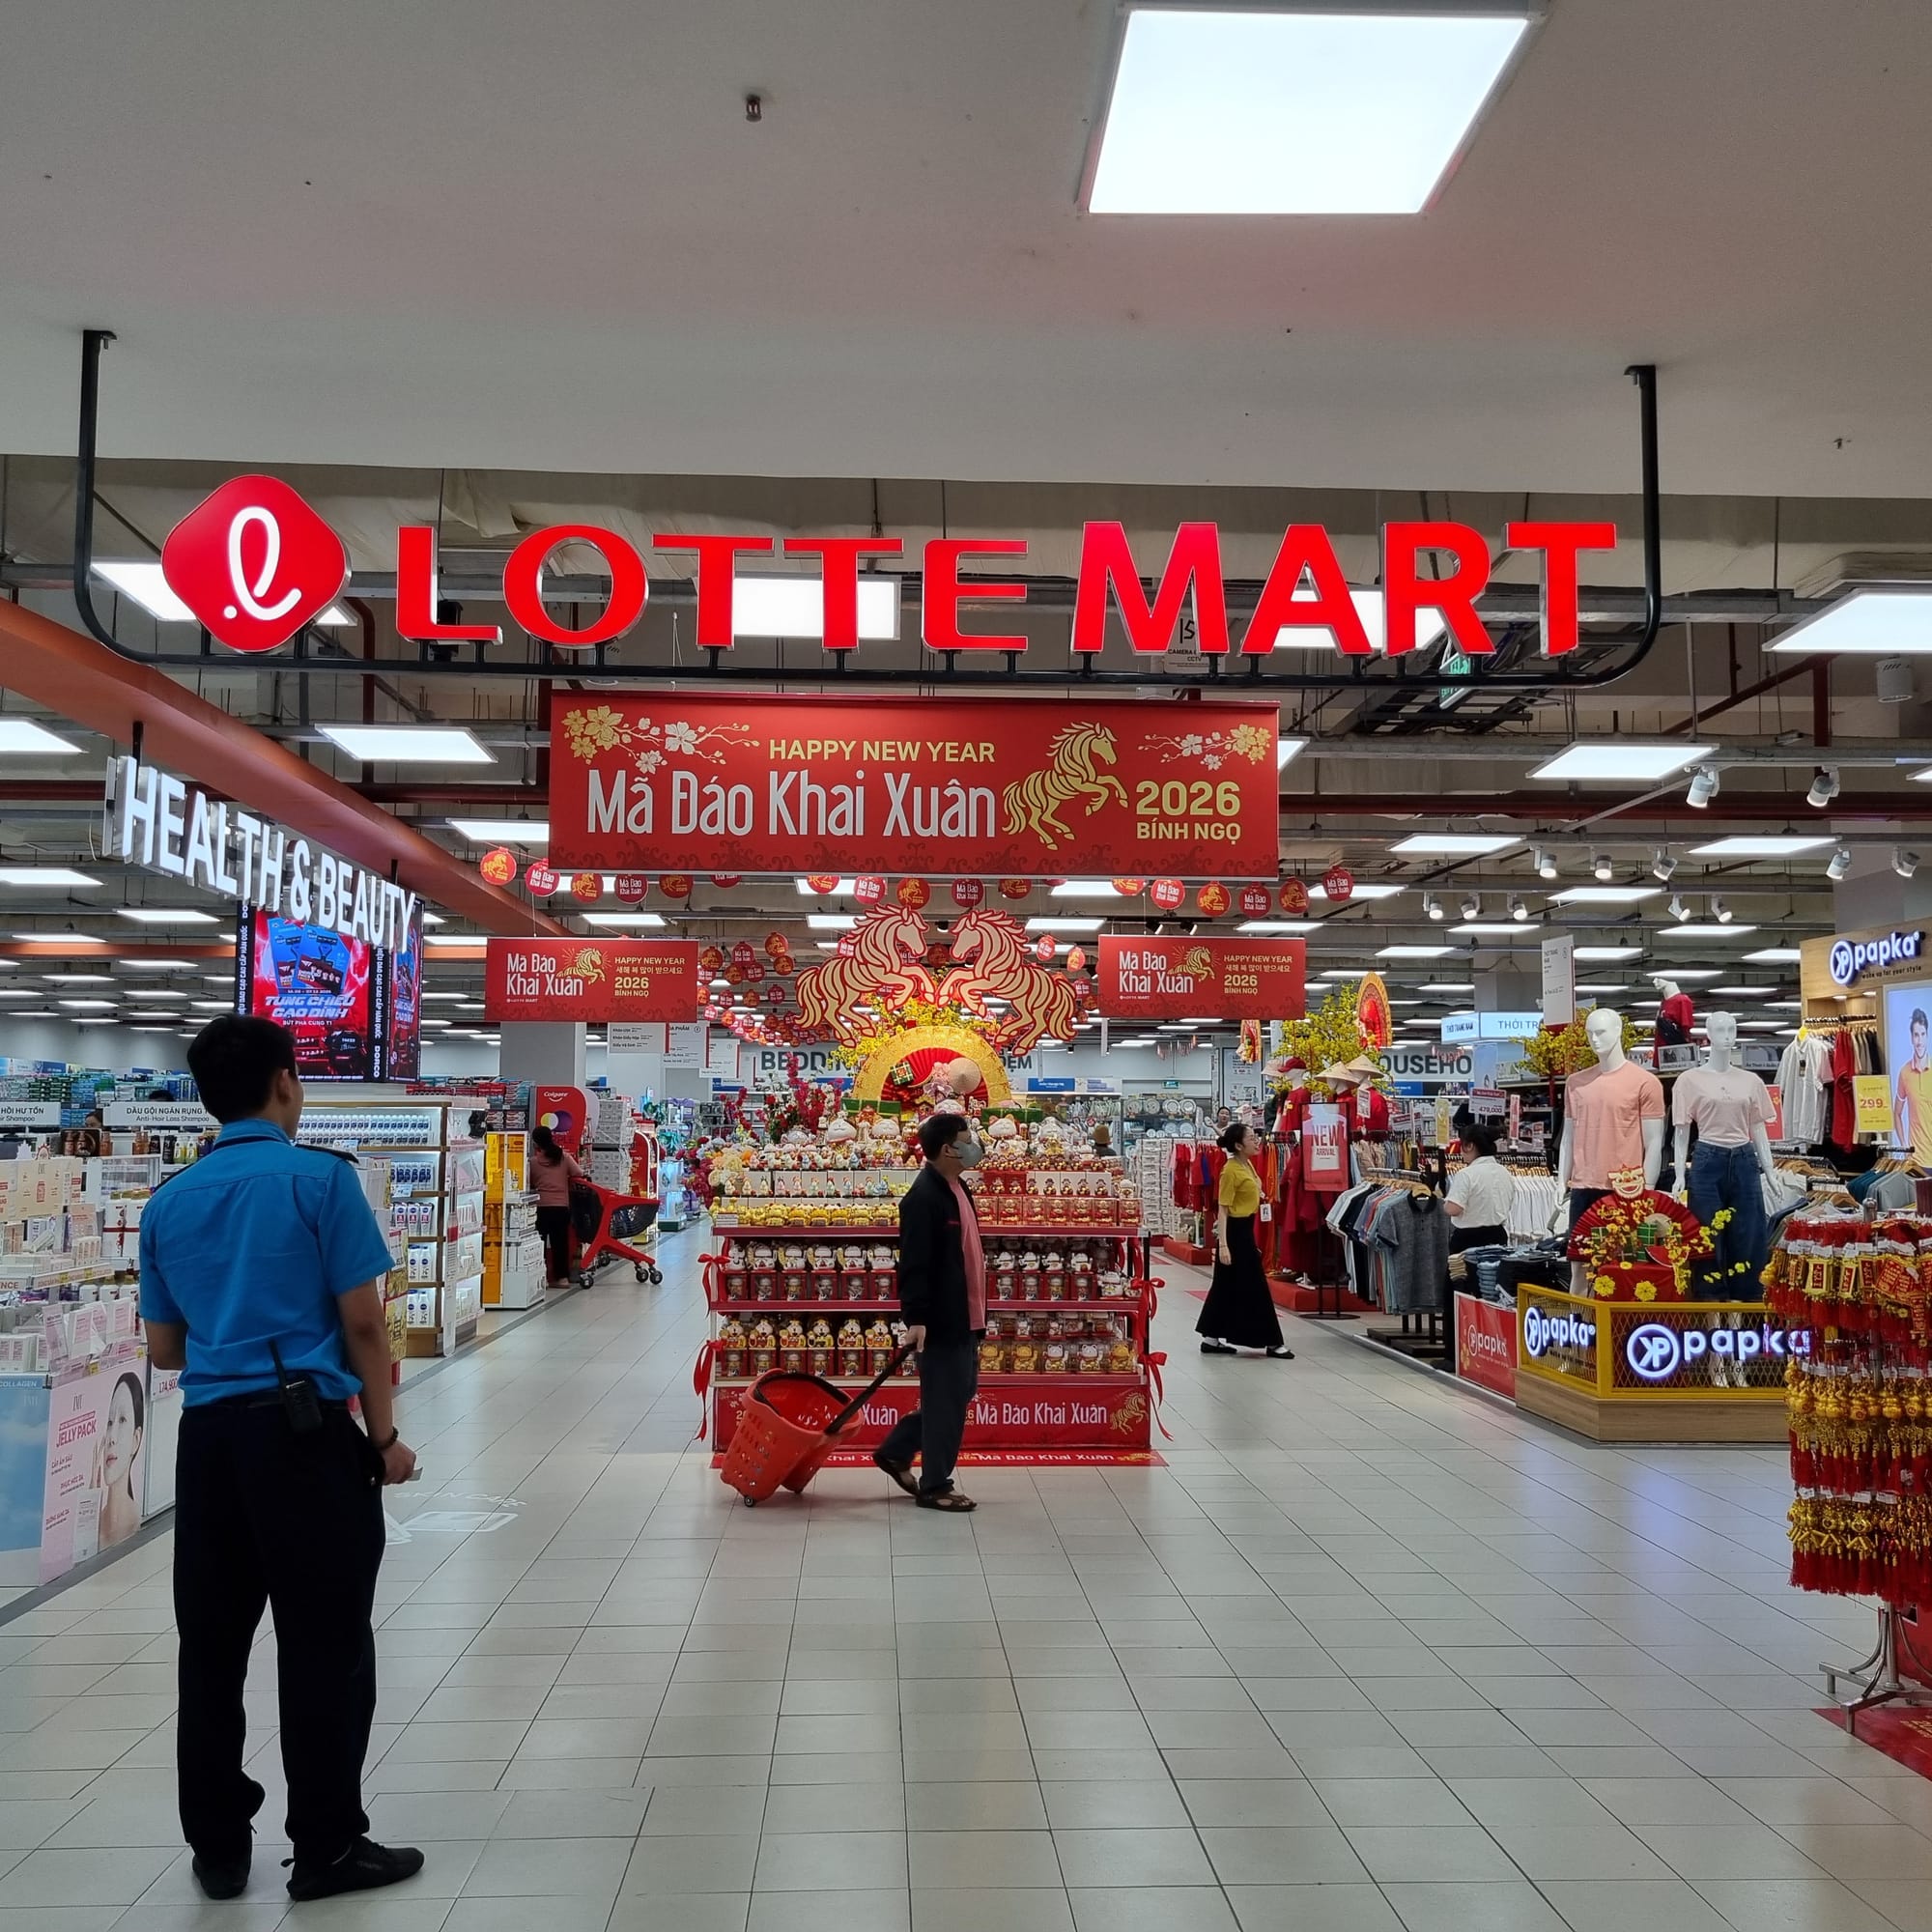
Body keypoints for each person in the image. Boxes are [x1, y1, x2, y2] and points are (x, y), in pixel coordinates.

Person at [138, 1015, 420, 1905]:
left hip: (210, 1446)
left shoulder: (168, 1204)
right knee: (324, 1643)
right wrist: (384, 1442)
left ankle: (220, 1848)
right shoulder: (320, 1182)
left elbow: (164, 1350)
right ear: (286, 1083)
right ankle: (327, 1847)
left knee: (210, 1649)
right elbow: (364, 1322)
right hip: (305, 1438)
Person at [874, 1112, 985, 1513]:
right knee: (946, 1404)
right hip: (942, 1318)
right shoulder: (923, 1198)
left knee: (957, 1394)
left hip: (967, 1315)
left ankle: (896, 1450)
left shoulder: (957, 1187)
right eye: (967, 1139)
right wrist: (916, 1317)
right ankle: (935, 1484)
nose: (974, 1146)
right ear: (947, 1149)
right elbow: (914, 1263)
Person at [1196, 1122, 1293, 1358]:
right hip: (1234, 1233)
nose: (1257, 1141)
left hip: (1245, 1228)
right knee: (1255, 1285)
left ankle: (1210, 1338)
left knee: (1224, 1285)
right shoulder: (1230, 1171)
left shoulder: (1246, 1163)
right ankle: (1272, 1341)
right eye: (1251, 1138)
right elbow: (1223, 1209)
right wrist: (1224, 1246)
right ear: (1239, 1145)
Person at [1444, 1122, 1515, 1251]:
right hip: (1498, 1234)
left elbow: (1453, 1209)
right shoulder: (1504, 1172)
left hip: (1469, 1239)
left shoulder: (1466, 1174)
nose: (1460, 1151)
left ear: (1470, 1146)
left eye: (1462, 1145)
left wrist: (1444, 1203)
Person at [529, 1125, 582, 1286]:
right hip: (560, 1207)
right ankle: (562, 1278)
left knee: (539, 1243)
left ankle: (542, 1278)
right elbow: (578, 1172)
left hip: (540, 1207)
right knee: (560, 1243)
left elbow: (529, 1181)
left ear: (535, 1142)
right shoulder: (564, 1157)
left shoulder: (533, 1162)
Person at [98, 1369, 144, 1547]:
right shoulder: (94, 1525)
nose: (112, 1438)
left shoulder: (136, 1520)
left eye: (122, 1420)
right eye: (110, 1423)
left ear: (136, 1439)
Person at [1897, 1009, 1932, 1166]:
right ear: (1911, 1038)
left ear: (1927, 1036)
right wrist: (1905, 1146)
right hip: (1916, 1161)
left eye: (1923, 1034)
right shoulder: (1904, 1073)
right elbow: (1897, 1113)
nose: (1919, 1041)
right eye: (1916, 1035)